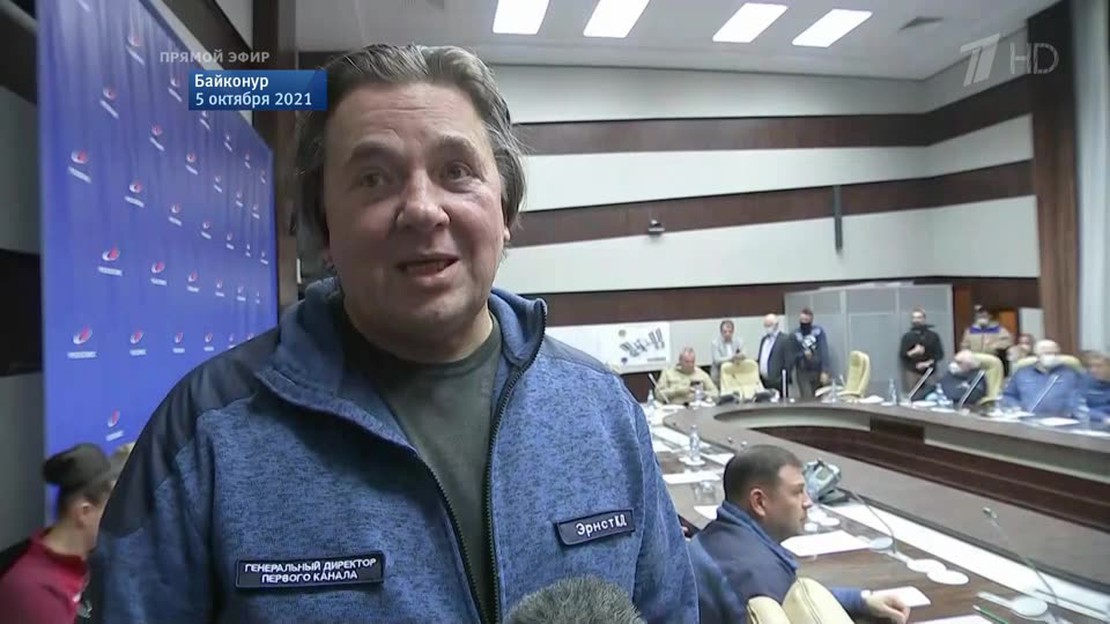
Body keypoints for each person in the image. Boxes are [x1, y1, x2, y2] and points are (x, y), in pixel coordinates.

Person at [90, 44, 697, 624]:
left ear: (506, 212)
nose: (423, 209)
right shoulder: (207, 428)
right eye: (374, 179)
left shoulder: (603, 411)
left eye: (456, 171)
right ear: (324, 229)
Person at [688, 445, 910, 624]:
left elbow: (789, 596)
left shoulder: (723, 537)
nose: (808, 502)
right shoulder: (753, 572)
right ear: (759, 502)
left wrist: (861, 601)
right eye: (797, 492)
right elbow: (789, 603)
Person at [0, 444, 115, 624]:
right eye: (111, 509)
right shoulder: (34, 593)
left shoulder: (87, 563)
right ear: (84, 512)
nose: (117, 518)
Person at [1001, 340, 1084, 415]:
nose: (1052, 356)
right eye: (1048, 353)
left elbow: (1080, 398)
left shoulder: (1070, 374)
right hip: (1028, 419)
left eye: (1056, 353)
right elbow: (1009, 395)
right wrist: (1015, 407)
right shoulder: (1022, 373)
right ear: (1037, 355)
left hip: (1062, 420)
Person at [898, 308, 944, 394]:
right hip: (912, 372)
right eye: (914, 318)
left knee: (932, 395)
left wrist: (927, 363)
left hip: (930, 372)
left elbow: (940, 355)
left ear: (924, 319)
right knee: (913, 396)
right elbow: (902, 355)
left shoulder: (933, 336)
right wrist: (913, 352)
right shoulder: (907, 337)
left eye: (919, 317)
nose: (916, 320)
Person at [792, 309, 830, 399]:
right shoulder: (795, 334)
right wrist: (803, 354)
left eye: (806, 320)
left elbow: (824, 351)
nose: (803, 322)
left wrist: (825, 371)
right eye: (802, 320)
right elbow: (792, 354)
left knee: (819, 397)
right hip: (802, 371)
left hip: (817, 370)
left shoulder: (818, 331)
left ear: (811, 320)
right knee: (807, 397)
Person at [756, 314, 793, 397]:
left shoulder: (785, 339)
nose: (767, 328)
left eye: (769, 325)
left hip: (778, 383)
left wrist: (781, 379)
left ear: (776, 325)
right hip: (763, 382)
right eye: (765, 325)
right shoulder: (764, 340)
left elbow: (789, 362)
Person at [710, 320, 743, 386]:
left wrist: (740, 356)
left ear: (733, 331)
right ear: (721, 332)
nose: (727, 334)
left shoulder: (738, 341)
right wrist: (732, 358)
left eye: (730, 332)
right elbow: (717, 360)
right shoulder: (715, 343)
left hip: (733, 374)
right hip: (719, 376)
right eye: (725, 332)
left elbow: (744, 354)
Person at [1081, 351, 1110, 419]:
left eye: (1099, 366)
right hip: (1087, 420)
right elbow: (1077, 407)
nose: (1093, 370)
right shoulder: (1083, 380)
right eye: (1090, 366)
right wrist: (1102, 417)